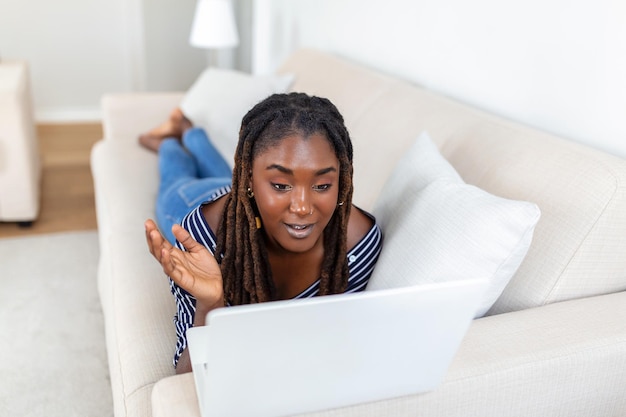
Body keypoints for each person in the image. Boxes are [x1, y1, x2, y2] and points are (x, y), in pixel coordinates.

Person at [144, 92, 383, 374]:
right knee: (177, 175)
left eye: (322, 185)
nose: (304, 207)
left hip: (251, 200)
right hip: (199, 199)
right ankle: (170, 141)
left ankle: (189, 130)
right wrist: (211, 305)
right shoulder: (200, 236)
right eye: (282, 185)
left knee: (222, 171)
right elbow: (185, 380)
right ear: (249, 181)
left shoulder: (357, 247)